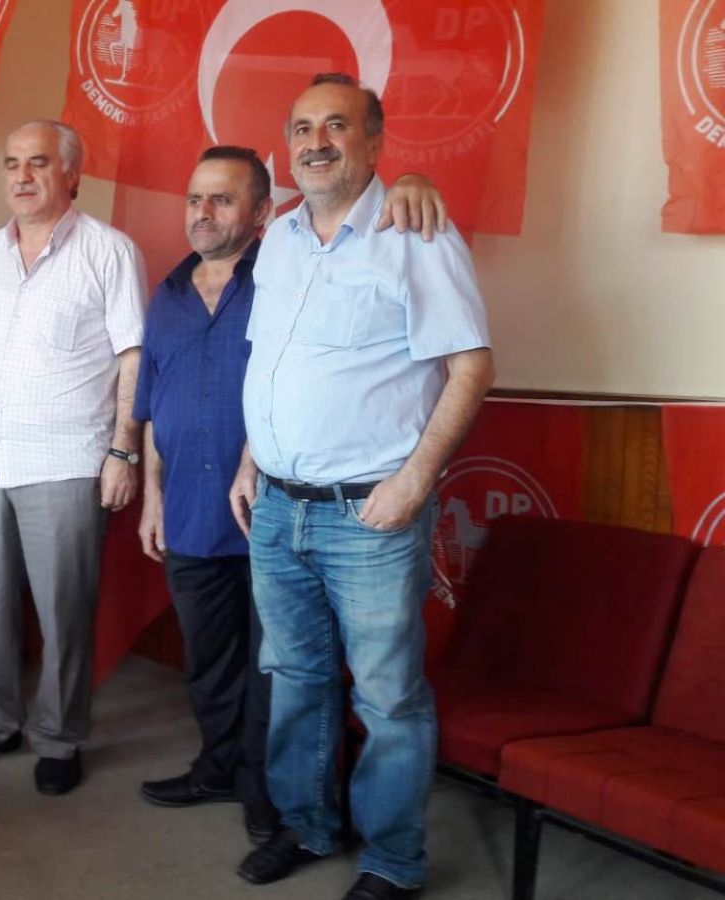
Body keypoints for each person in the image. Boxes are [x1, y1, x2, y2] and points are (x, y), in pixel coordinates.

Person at [134, 147, 451, 847]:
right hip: (194, 510)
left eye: (221, 199)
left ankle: (269, 797)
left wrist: (413, 179)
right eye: (194, 199)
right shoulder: (170, 293)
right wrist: (151, 494)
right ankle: (223, 770)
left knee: (283, 672)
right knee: (212, 661)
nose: (202, 213)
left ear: (261, 212)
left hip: (274, 513)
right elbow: (151, 402)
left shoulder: (284, 267)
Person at [231, 74, 493, 900]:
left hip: (370, 515)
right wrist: (250, 459)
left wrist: (416, 480)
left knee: (388, 699)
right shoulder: (278, 238)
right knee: (297, 678)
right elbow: (272, 362)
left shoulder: (416, 233)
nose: (316, 142)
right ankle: (309, 824)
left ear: (374, 143)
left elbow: (471, 367)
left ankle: (392, 861)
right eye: (302, 127)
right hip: (277, 506)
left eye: (336, 126)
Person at [0, 119, 146, 796]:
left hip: (66, 458)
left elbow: (133, 357)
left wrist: (123, 450)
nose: (22, 177)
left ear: (71, 175)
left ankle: (59, 736)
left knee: (64, 610)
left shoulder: (109, 252)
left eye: (39, 163)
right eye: (12, 163)